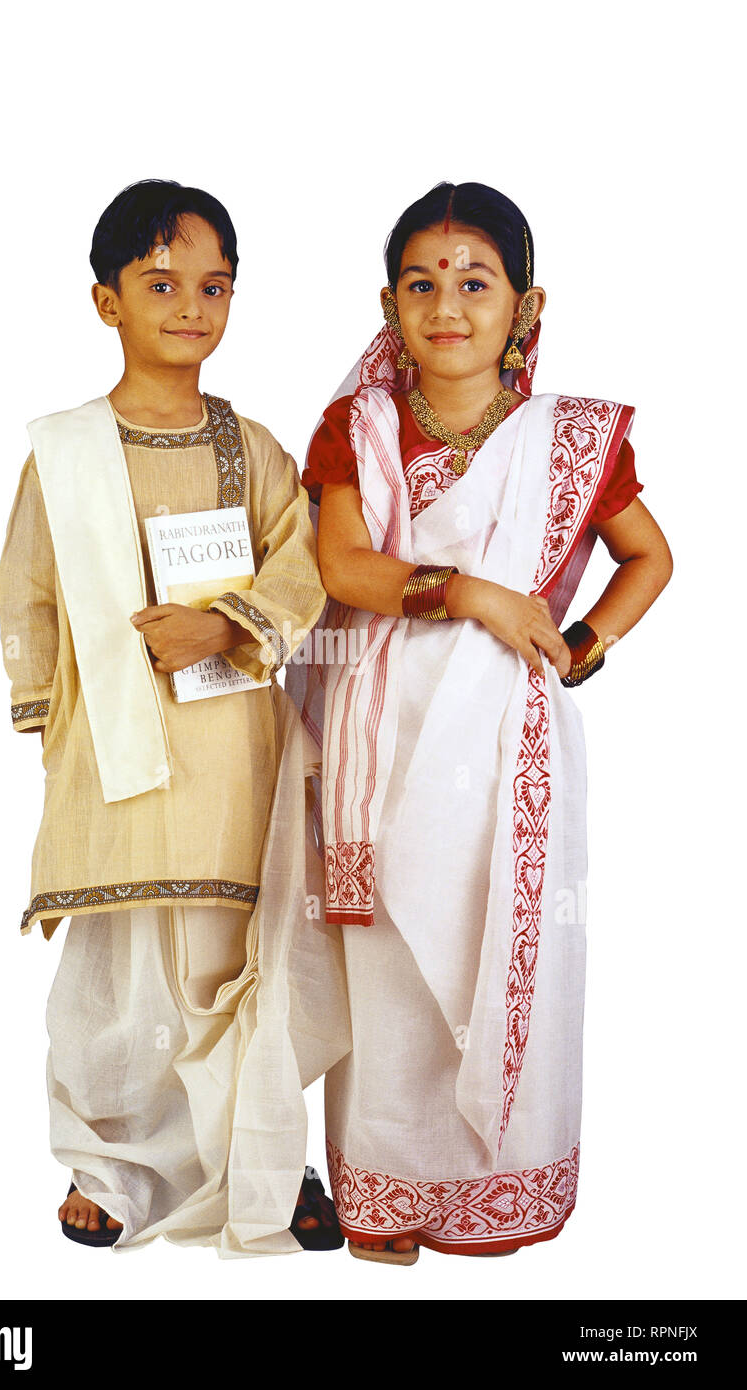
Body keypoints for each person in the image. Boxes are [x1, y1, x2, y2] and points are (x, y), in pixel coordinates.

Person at [294, 181, 672, 1264]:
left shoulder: (566, 441)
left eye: (474, 282)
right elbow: (340, 567)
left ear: (525, 305)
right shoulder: (357, 427)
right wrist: (476, 595)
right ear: (387, 302)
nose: (446, 305)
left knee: (501, 943)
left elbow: (649, 555)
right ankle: (387, 1195)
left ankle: (489, 1190)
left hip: (511, 749)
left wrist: (579, 646)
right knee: (393, 974)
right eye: (421, 284)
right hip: (380, 726)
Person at [0, 179, 349, 1257]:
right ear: (106, 301)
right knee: (119, 967)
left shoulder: (248, 444)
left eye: (213, 285)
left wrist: (227, 626)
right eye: (159, 283)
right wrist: (51, 714)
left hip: (232, 745)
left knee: (237, 953)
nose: (189, 306)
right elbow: (30, 589)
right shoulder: (62, 450)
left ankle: (267, 1163)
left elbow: (308, 556)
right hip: (110, 752)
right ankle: (105, 1166)